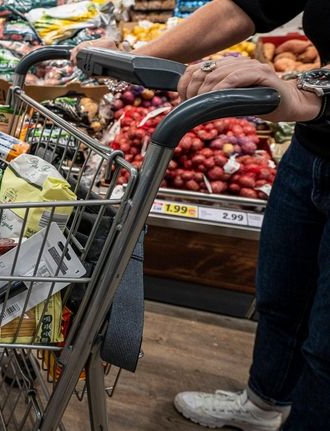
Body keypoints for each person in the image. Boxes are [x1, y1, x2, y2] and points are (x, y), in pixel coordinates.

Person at [71, 1, 330, 430]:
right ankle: (264, 402)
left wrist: (308, 93)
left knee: (326, 346)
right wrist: (134, 59)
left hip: (317, 117)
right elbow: (245, 8)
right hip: (312, 150)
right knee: (281, 294)